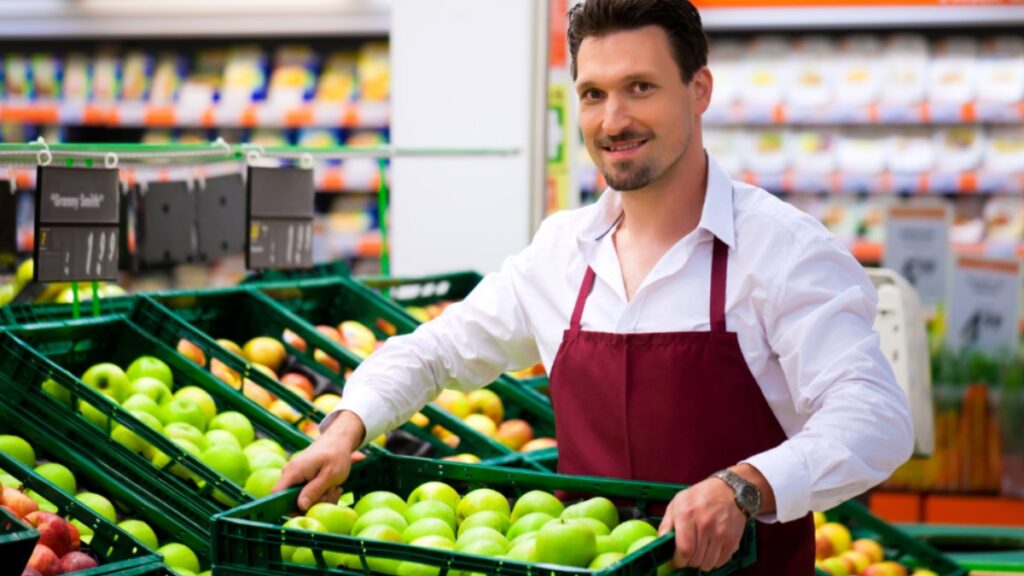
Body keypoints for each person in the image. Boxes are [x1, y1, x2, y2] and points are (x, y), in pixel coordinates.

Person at [274, 0, 914, 572]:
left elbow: (875, 418)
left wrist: (745, 487)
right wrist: (346, 426)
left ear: (699, 90)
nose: (614, 120)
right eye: (593, 94)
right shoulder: (561, 251)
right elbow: (437, 349)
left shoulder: (783, 249)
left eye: (640, 87)